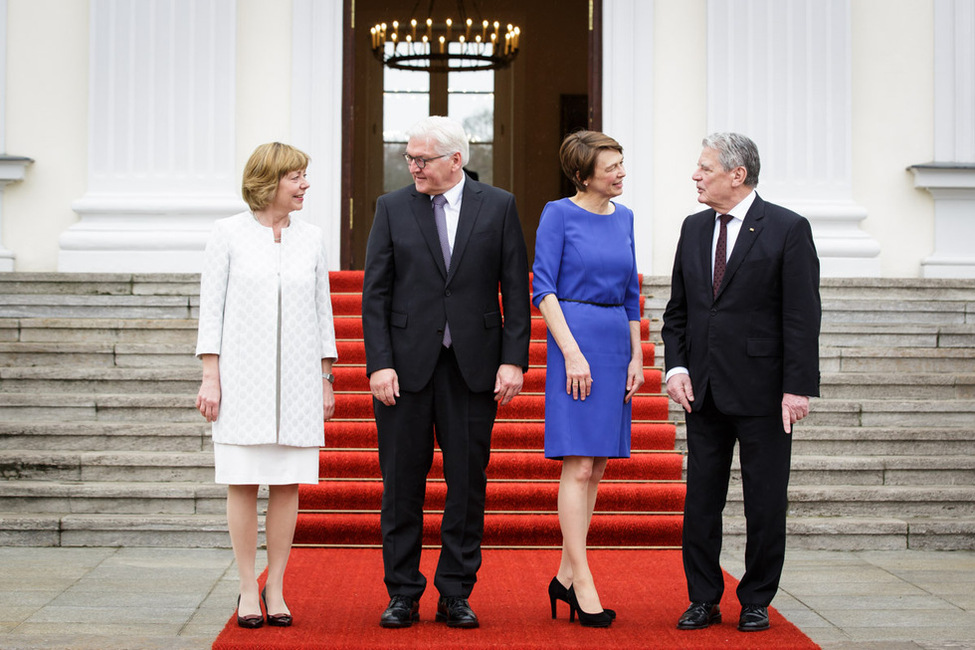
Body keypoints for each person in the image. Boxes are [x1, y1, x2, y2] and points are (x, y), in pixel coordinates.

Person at [362, 115, 531, 629]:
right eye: (410, 158)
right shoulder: (391, 208)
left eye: (422, 159)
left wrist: (513, 359)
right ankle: (403, 594)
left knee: (466, 484)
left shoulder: (498, 205)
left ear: (456, 160)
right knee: (402, 486)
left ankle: (456, 591)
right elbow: (375, 295)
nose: (412, 166)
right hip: (405, 372)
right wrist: (379, 363)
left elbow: (515, 289)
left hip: (473, 368)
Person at [661, 133, 821, 633]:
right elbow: (679, 312)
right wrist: (676, 368)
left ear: (737, 174)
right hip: (702, 390)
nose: (695, 176)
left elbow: (801, 315)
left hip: (764, 392)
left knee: (765, 502)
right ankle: (702, 597)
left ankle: (756, 599)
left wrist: (796, 387)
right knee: (700, 502)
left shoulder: (788, 228)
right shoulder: (692, 228)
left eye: (704, 168)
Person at [195, 142, 337, 629]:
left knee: (286, 483)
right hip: (242, 379)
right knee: (242, 480)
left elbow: (323, 311)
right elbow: (211, 310)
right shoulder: (227, 234)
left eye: (304, 176)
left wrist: (325, 378)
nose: (305, 185)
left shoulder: (312, 238)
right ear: (268, 181)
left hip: (298, 380)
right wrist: (210, 377)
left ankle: (275, 585)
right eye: (296, 177)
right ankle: (245, 585)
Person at [532, 131, 644, 628]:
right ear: (582, 174)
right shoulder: (558, 213)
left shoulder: (627, 218)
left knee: (597, 467)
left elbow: (631, 293)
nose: (621, 173)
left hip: (616, 344)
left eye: (622, 164)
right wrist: (570, 352)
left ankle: (563, 575)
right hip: (574, 342)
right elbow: (543, 287)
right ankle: (584, 580)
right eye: (611, 167)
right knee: (577, 467)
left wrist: (638, 356)